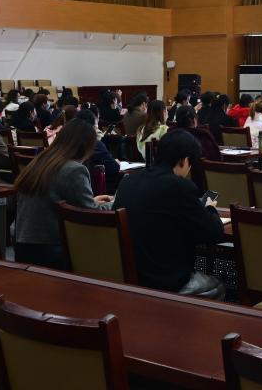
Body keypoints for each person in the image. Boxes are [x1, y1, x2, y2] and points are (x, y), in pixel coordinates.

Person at [113, 129, 226, 296]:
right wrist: (210, 207)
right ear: (184, 160)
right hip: (164, 280)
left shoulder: (128, 180)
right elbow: (214, 233)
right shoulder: (180, 186)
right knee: (218, 287)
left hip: (128, 275)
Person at [14, 120, 113, 268]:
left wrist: (93, 201)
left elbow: (52, 201)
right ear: (86, 147)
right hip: (51, 251)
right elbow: (90, 214)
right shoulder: (74, 169)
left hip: (23, 247)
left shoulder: (40, 161)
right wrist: (116, 202)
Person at [75, 109, 122, 193]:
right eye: (96, 127)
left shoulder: (68, 142)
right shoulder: (95, 144)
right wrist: (116, 162)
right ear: (93, 128)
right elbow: (114, 168)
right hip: (94, 191)